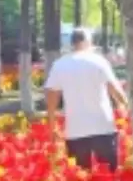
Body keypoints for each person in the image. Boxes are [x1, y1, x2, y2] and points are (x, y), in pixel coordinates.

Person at [44, 28, 128, 171]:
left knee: (81, 177)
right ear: (87, 42)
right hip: (103, 128)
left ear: (73, 42)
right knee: (109, 175)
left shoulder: (60, 65)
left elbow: (52, 97)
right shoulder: (99, 61)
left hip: (75, 131)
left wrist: (52, 126)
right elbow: (115, 90)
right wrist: (125, 105)